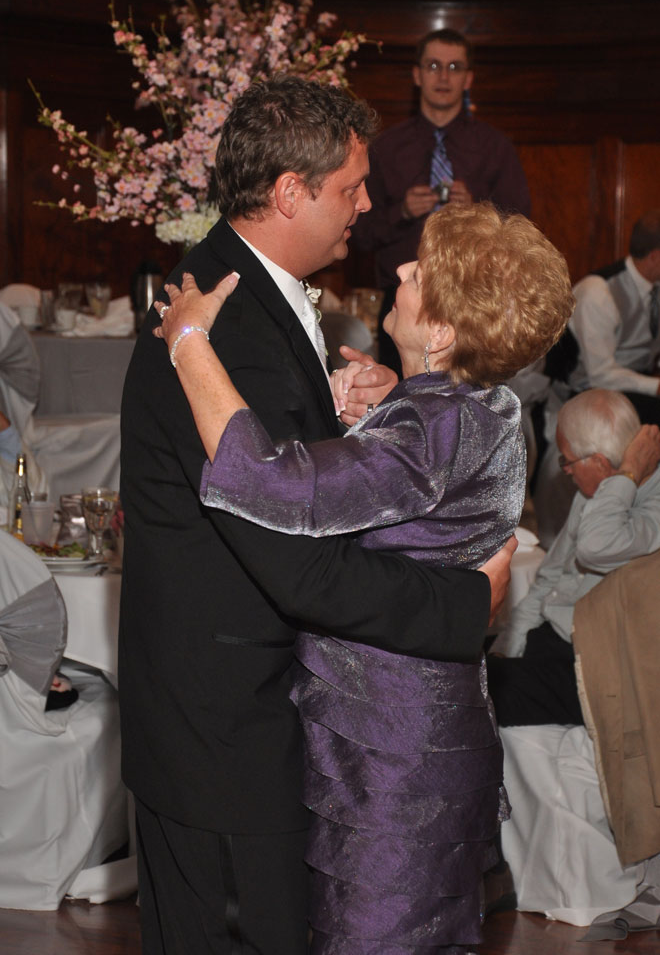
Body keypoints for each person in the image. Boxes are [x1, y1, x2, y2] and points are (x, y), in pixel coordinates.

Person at [118, 77, 517, 955]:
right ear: (290, 191)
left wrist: (361, 417)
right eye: (350, 188)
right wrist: (459, 606)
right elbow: (293, 559)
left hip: (235, 724)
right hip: (227, 738)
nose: (368, 206)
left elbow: (306, 479)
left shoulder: (239, 294)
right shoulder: (221, 330)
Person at [153, 202, 574, 953]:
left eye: (421, 273)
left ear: (443, 333)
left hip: (390, 756)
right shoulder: (494, 406)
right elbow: (434, 479)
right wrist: (393, 403)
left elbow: (274, 483)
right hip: (429, 731)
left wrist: (189, 342)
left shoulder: (431, 429)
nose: (402, 271)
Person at [352, 28, 531, 372]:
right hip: (402, 299)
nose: (443, 76)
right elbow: (358, 232)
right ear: (417, 75)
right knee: (401, 402)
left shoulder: (495, 148)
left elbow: (522, 231)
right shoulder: (385, 149)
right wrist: (401, 211)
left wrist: (477, 212)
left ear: (468, 78)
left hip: (477, 300)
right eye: (434, 66)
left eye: (454, 67)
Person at [488, 388, 660, 727]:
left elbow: (596, 547)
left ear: (597, 461)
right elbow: (549, 580)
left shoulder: (649, 501)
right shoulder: (593, 494)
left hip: (595, 665)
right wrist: (511, 647)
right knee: (465, 671)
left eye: (567, 460)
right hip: (550, 641)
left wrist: (624, 477)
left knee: (474, 697)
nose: (564, 470)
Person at [566, 208, 660, 425]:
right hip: (590, 395)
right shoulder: (598, 292)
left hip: (638, 389)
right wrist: (654, 386)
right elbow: (600, 374)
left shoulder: (656, 287)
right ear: (655, 257)